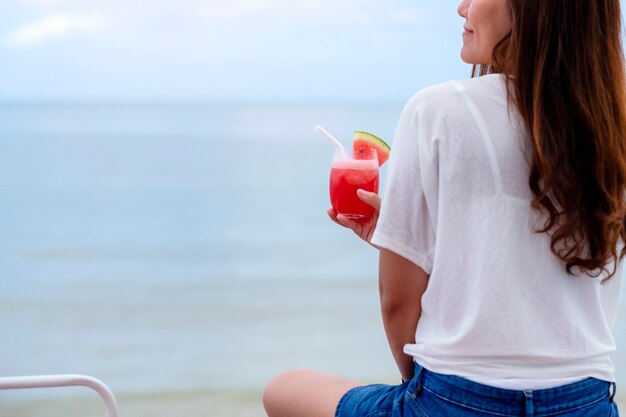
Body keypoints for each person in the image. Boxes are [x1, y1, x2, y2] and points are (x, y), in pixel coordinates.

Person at [264, 0, 626, 415]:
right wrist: (414, 239)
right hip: (586, 402)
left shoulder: (437, 108)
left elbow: (396, 302)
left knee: (283, 390)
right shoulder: (612, 125)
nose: (462, 8)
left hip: (456, 400)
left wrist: (417, 389)